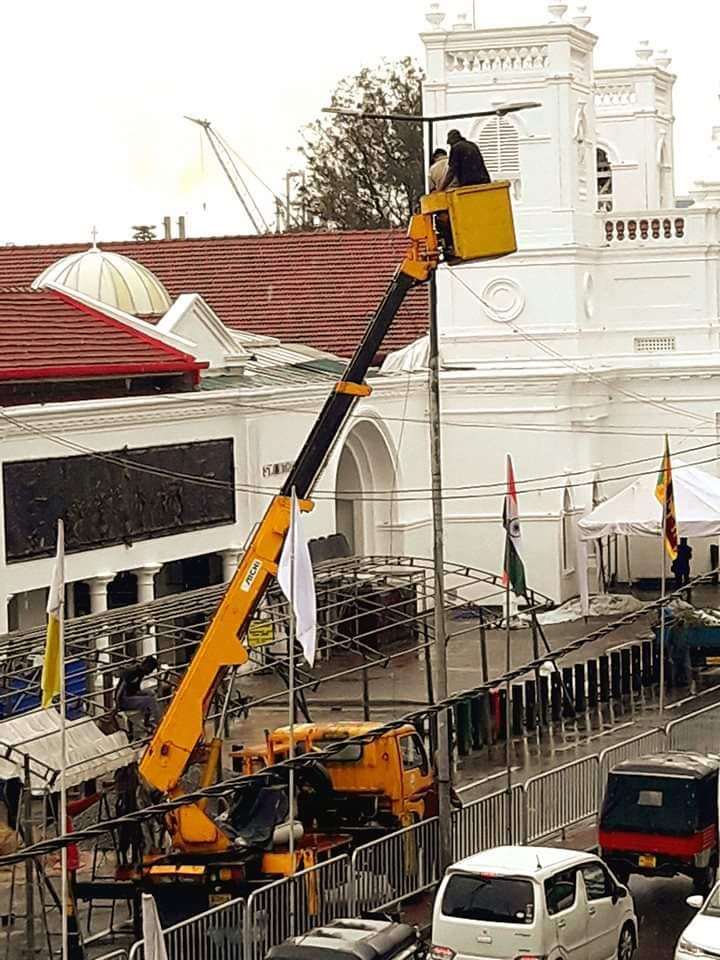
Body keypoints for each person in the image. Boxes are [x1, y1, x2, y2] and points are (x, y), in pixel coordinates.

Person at [115, 655, 162, 728]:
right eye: (151, 670)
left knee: (150, 694)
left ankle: (147, 721)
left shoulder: (141, 673)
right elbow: (121, 688)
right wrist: (117, 704)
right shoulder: (132, 671)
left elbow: (135, 689)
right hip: (124, 700)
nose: (150, 672)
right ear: (147, 666)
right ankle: (160, 723)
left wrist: (145, 693)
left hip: (131, 695)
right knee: (150, 700)